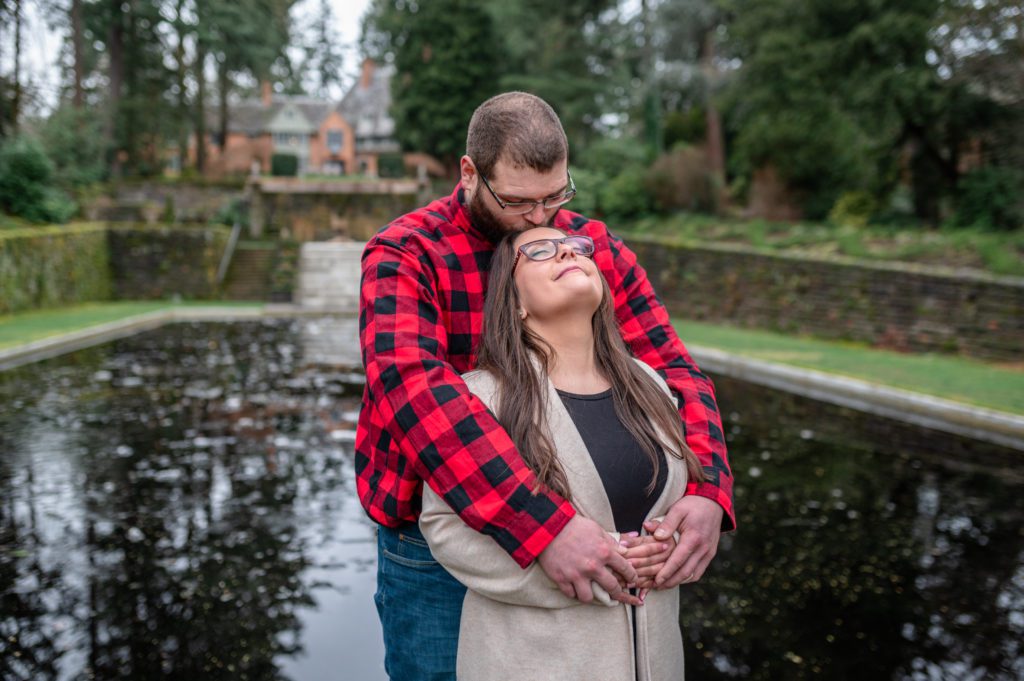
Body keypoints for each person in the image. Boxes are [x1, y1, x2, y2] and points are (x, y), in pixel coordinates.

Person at [357, 91, 734, 680]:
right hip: (435, 548)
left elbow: (673, 370)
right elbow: (416, 394)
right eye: (518, 202)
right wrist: (543, 525)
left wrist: (709, 489)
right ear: (469, 173)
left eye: (556, 196)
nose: (541, 219)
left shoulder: (588, 248)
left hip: (584, 527)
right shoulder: (407, 253)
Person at [419, 226, 704, 680]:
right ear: (514, 302)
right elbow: (444, 528)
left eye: (576, 247)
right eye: (539, 251)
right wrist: (583, 568)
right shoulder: (481, 400)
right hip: (534, 662)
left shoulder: (651, 385)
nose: (568, 250)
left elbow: (675, 505)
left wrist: (668, 546)